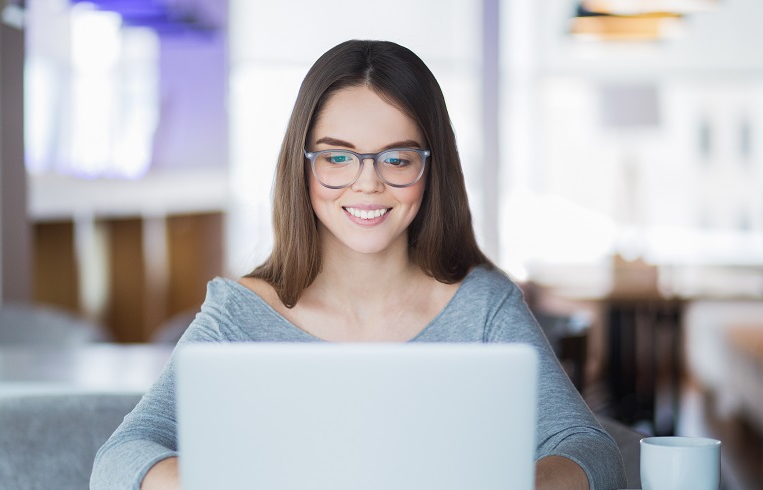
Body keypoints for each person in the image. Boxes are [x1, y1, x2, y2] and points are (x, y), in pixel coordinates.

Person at [91, 39, 627, 490]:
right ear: (302, 168)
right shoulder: (241, 313)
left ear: (430, 169)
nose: (367, 183)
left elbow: (591, 451)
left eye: (396, 158)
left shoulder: (483, 306)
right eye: (337, 156)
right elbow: (119, 460)